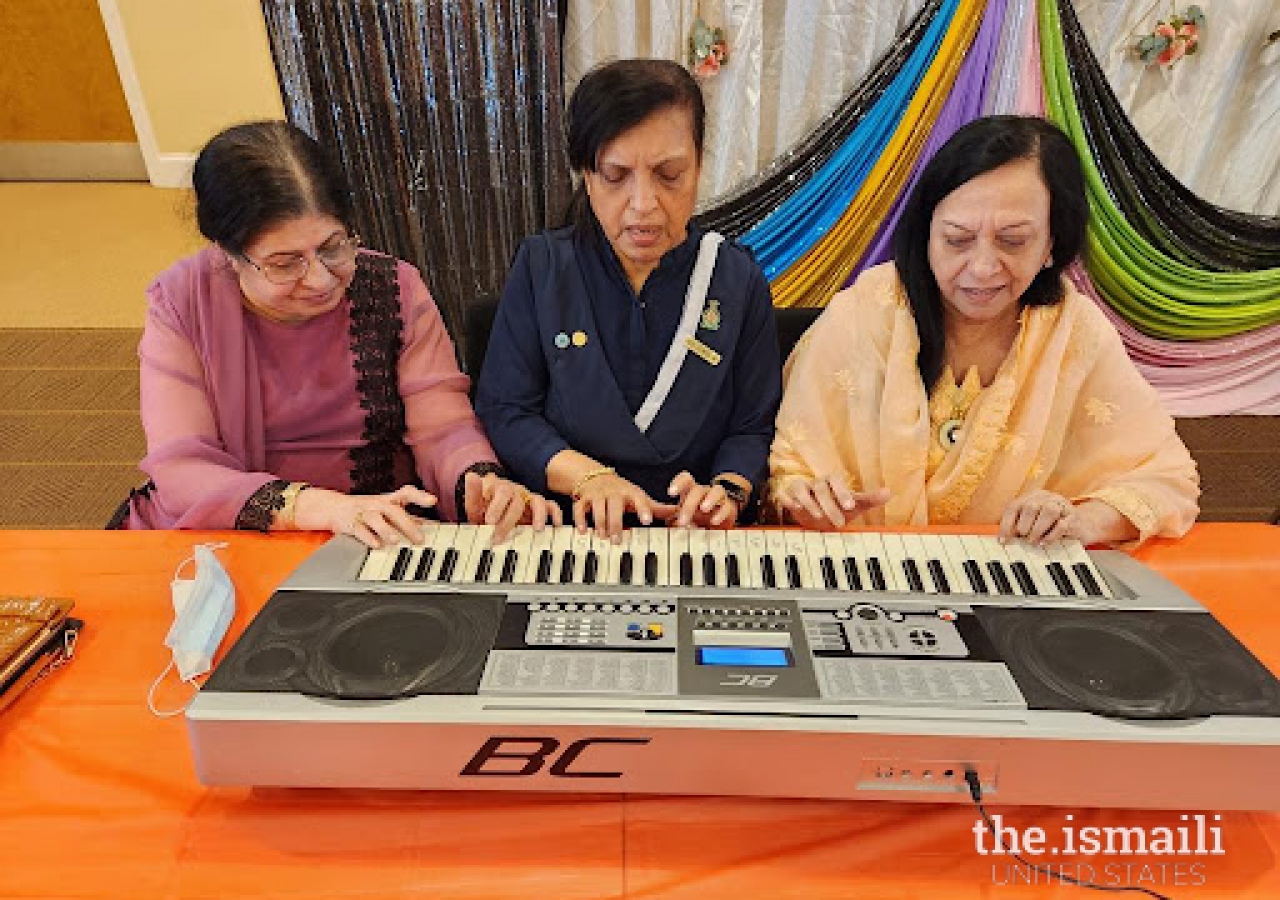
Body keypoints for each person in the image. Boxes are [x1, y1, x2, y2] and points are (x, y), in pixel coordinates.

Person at [117, 121, 559, 546]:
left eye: (333, 247)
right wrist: (320, 509)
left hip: (381, 526)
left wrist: (477, 480)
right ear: (228, 253)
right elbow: (182, 467)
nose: (321, 280)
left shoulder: (394, 288)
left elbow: (442, 427)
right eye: (285, 263)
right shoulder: (182, 303)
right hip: (236, 529)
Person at [768, 115, 1199, 546]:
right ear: (927, 235)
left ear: (1052, 244)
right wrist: (804, 500)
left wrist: (1080, 520)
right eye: (957, 239)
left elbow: (1165, 478)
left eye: (1013, 241)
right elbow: (790, 472)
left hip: (1013, 590)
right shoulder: (863, 314)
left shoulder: (1076, 334)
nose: (981, 268)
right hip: (862, 577)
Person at [475, 59, 782, 541]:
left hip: (694, 536)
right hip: (571, 531)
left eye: (669, 175)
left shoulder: (735, 279)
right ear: (587, 174)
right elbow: (507, 411)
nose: (643, 204)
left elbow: (752, 427)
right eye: (616, 176)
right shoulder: (543, 268)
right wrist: (590, 479)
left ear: (700, 165)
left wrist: (727, 492)